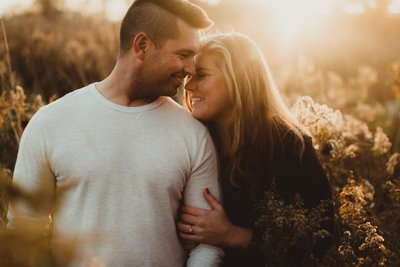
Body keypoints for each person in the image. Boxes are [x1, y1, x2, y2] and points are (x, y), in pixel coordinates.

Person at [7, 0, 224, 266]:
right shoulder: (51, 122)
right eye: (183, 55)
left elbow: (207, 244)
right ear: (142, 46)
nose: (190, 69)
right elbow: (24, 230)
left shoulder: (194, 134)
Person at [178, 32, 337, 266]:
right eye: (189, 76)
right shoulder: (193, 139)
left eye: (201, 75)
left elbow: (321, 237)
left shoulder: (289, 145)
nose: (189, 86)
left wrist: (230, 234)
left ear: (238, 79)